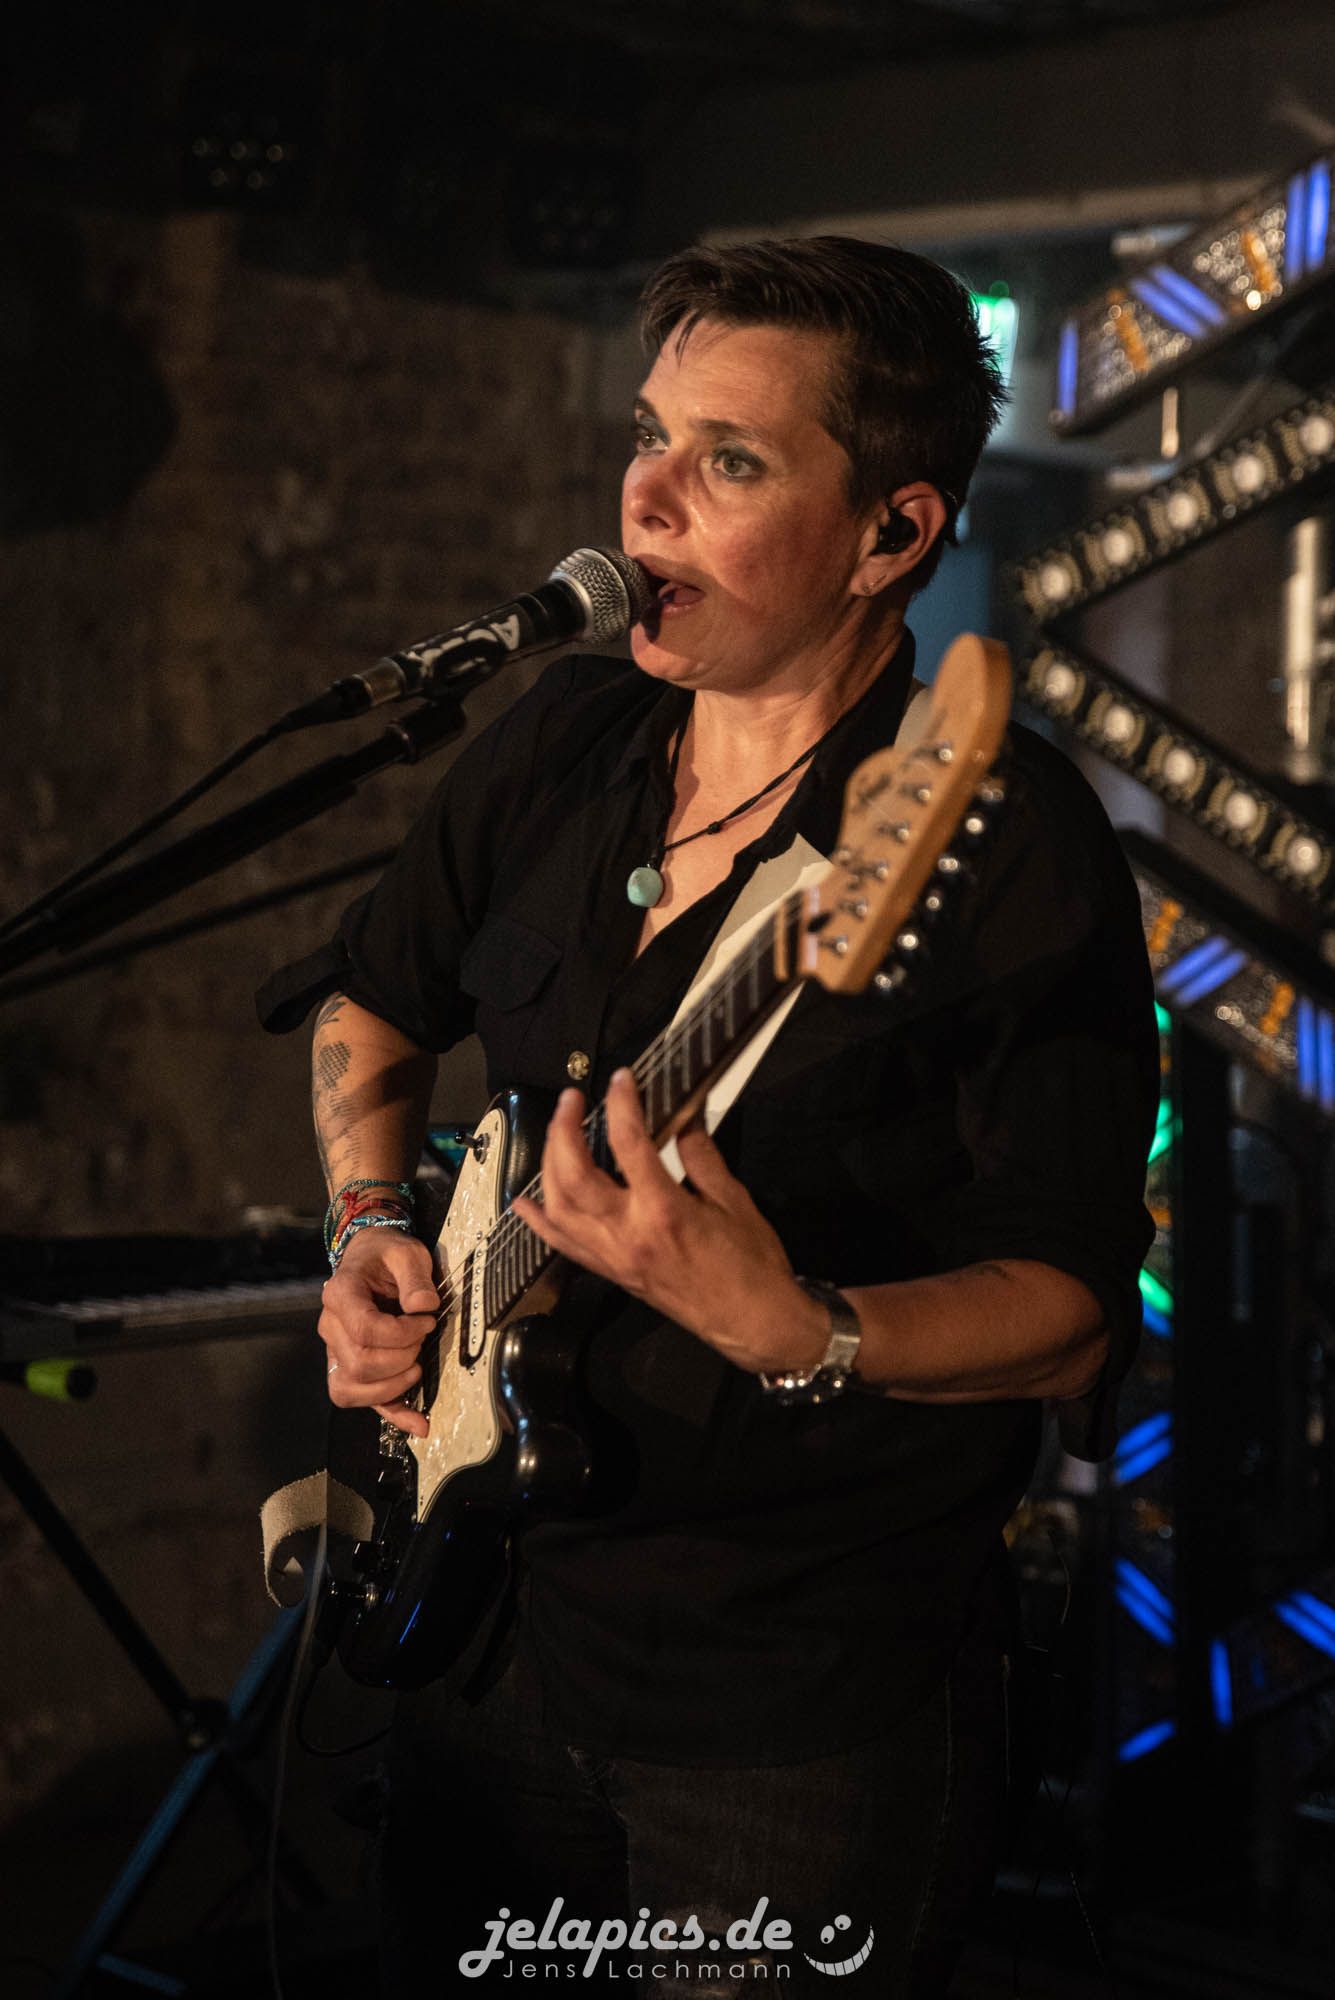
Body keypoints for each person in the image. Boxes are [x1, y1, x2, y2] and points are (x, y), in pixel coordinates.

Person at [260, 237, 1158, 1995]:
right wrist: (368, 1223)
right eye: (650, 436)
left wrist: (805, 1329)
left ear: (891, 534)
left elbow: (1067, 1314)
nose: (646, 499)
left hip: (792, 1712)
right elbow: (376, 993)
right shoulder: (566, 739)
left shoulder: (1001, 841)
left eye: (728, 461)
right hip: (482, 1635)